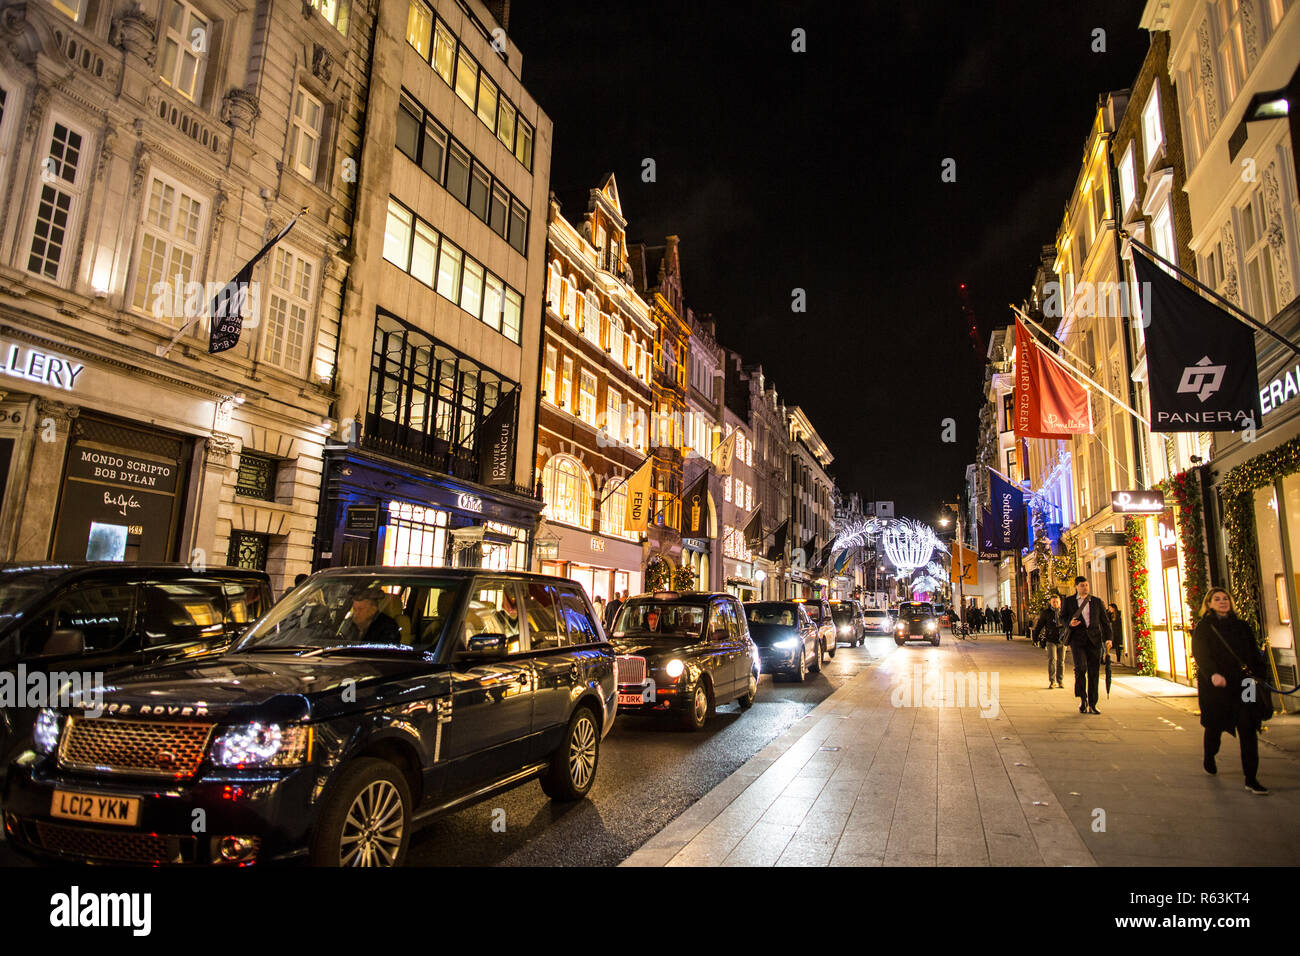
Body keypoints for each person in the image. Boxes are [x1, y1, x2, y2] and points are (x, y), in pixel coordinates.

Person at [1192, 588, 1270, 794]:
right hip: (1218, 685)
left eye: (1225, 598)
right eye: (1216, 599)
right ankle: (1210, 755)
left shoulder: (1242, 626)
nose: (1222, 602)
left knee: (1249, 728)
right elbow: (1201, 655)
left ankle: (1251, 778)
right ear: (1208, 604)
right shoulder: (1204, 628)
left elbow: (1254, 653)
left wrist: (1259, 675)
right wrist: (1213, 674)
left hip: (1246, 684)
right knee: (1215, 726)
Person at [1059, 576, 1112, 715]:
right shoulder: (1069, 602)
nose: (1085, 588)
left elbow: (1105, 622)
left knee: (1094, 672)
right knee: (1081, 669)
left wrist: (1109, 639)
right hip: (1077, 640)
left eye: (1087, 585)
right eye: (1082, 585)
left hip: (1094, 640)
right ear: (1076, 586)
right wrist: (1069, 623)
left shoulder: (1096, 601)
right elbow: (1062, 617)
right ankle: (1083, 698)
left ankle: (1093, 704)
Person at [1033, 594, 1066, 688]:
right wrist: (1035, 637)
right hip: (1051, 639)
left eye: (1057, 602)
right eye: (1053, 602)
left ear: (1060, 602)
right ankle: (1052, 681)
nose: (1055, 604)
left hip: (1062, 639)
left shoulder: (1064, 612)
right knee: (1052, 659)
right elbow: (1039, 625)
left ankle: (1060, 680)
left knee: (1061, 661)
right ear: (1050, 603)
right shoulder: (1046, 613)